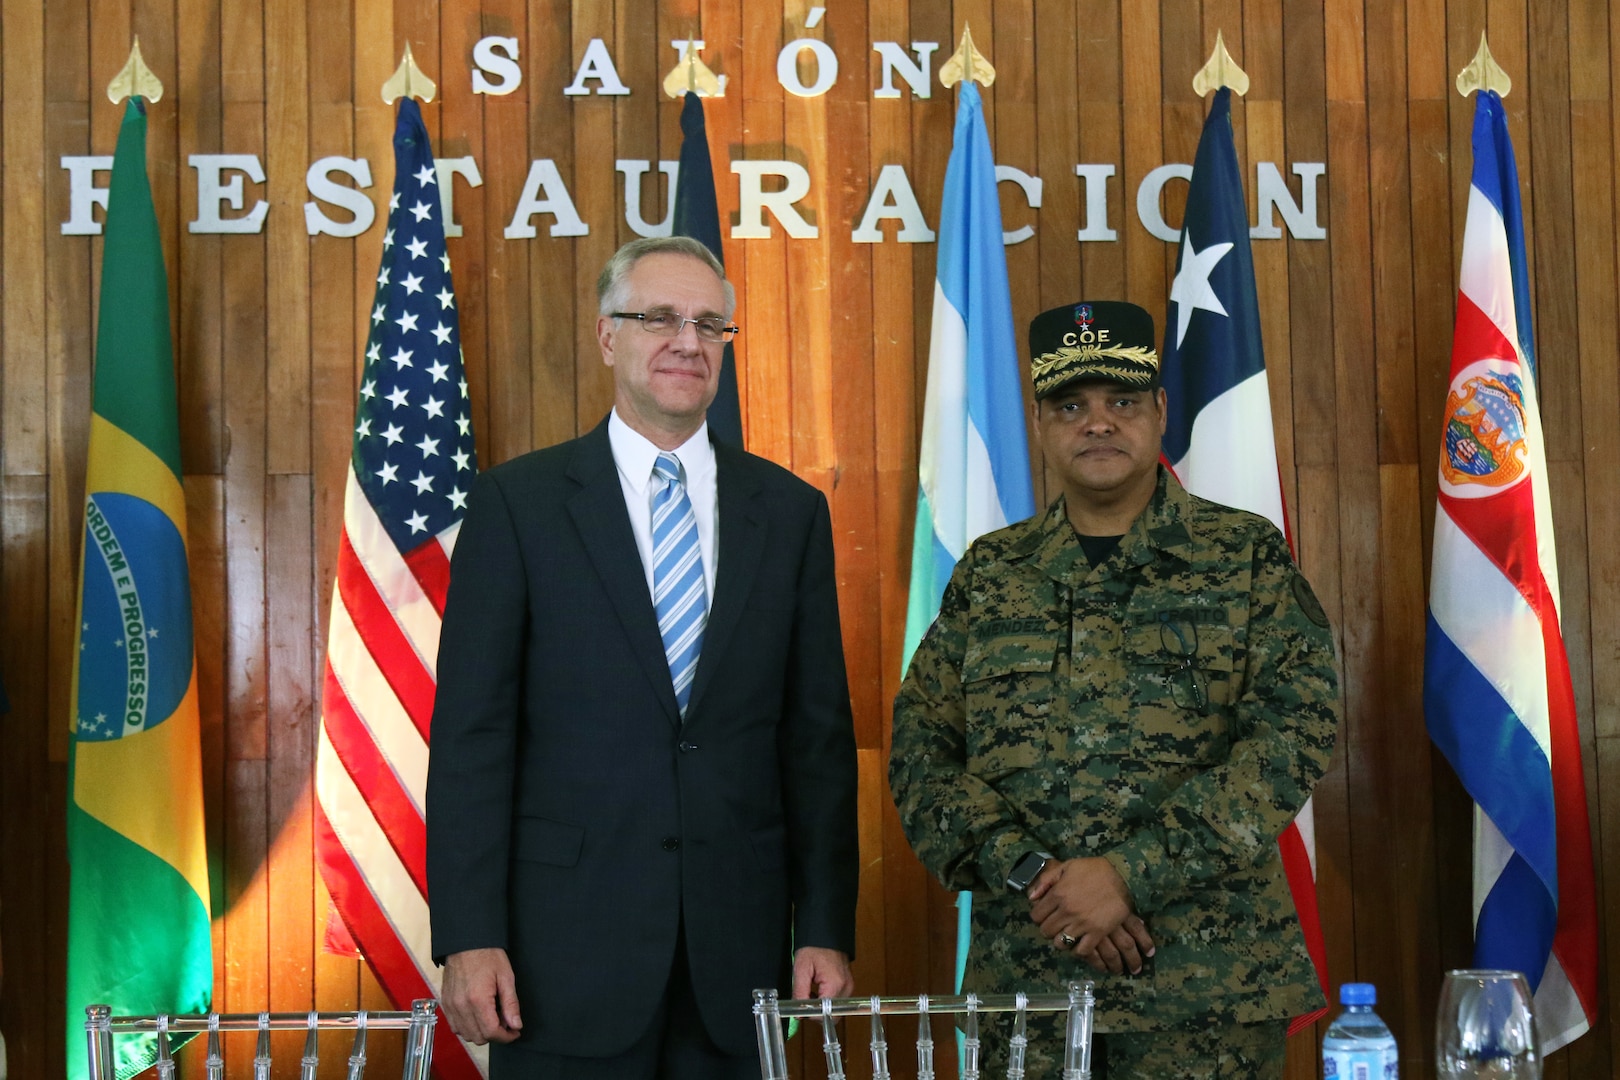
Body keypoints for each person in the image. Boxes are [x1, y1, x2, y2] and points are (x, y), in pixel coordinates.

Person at [426, 236, 859, 1079]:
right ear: (606, 337)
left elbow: (816, 741)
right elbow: (473, 737)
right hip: (559, 962)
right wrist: (470, 936)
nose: (686, 342)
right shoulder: (517, 505)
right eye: (657, 317)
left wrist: (826, 927)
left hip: (737, 964)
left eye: (708, 325)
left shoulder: (791, 512)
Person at [890, 300, 1340, 1079]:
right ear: (1038, 422)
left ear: (1161, 411)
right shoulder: (992, 575)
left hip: (1207, 996)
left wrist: (1130, 873)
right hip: (1028, 993)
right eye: (1071, 406)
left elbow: (1294, 737)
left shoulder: (1244, 556)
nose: (1097, 423)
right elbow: (919, 754)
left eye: (1122, 401)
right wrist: (1036, 875)